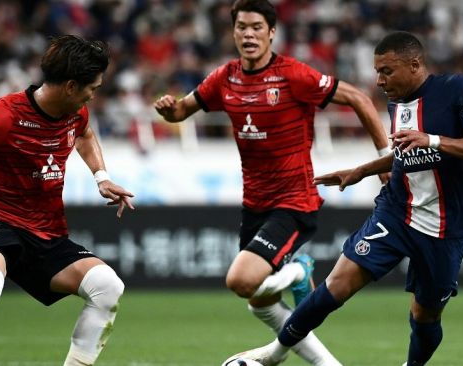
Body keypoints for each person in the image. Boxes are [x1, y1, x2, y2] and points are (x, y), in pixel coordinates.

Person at [225, 30, 463, 366]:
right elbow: (407, 154)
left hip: (445, 227)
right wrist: (361, 171)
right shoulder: (396, 102)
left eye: (387, 71)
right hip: (396, 214)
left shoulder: (457, 89)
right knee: (337, 284)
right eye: (377, 72)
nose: (380, 80)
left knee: (426, 314)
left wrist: (431, 139)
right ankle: (274, 353)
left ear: (414, 64)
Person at [154, 1, 389, 365]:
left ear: (272, 33)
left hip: (295, 200)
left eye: (256, 27)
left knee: (239, 281)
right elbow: (183, 110)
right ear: (232, 32)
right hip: (255, 203)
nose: (248, 34)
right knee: (258, 299)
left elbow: (358, 98)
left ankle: (299, 271)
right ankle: (326, 363)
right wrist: (170, 109)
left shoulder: (294, 75)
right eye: (241, 27)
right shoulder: (224, 78)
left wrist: (385, 159)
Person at [0, 35, 135, 366]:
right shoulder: (6, 114)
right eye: (91, 88)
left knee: (108, 286)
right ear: (69, 86)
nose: (92, 96)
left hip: (46, 236)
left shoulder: (75, 111)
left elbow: (85, 135)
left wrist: (102, 177)